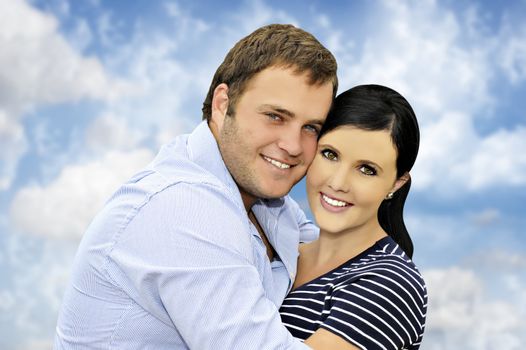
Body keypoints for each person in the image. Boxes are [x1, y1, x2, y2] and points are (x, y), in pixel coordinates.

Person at [54, 24, 337, 349]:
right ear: (222, 103)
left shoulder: (271, 203)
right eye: (275, 116)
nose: (293, 145)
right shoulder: (183, 206)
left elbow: (343, 261)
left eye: (311, 127)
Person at [280, 85, 427, 349]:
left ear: (396, 183)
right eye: (330, 154)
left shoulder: (391, 284)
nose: (338, 182)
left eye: (367, 170)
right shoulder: (281, 248)